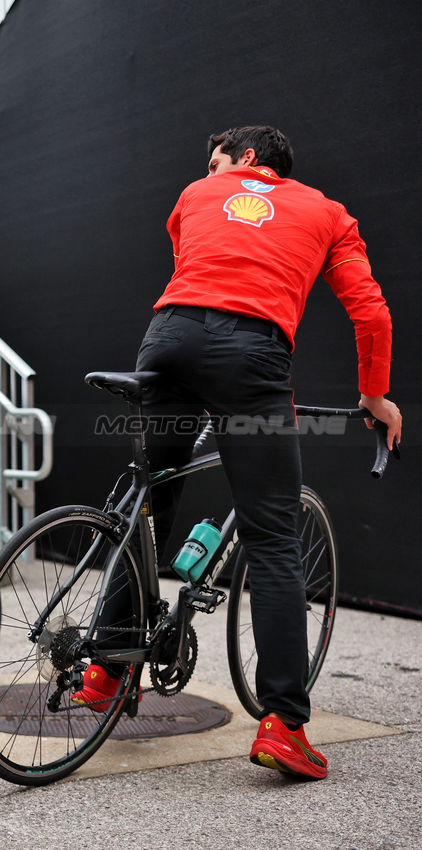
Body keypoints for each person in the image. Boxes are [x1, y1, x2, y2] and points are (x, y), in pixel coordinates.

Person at [73, 126, 402, 780]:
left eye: (217, 156)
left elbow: (189, 260)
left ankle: (106, 672)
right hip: (250, 353)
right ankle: (283, 725)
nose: (210, 166)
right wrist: (373, 396)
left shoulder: (197, 192)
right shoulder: (330, 215)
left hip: (165, 336)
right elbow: (371, 315)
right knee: (273, 537)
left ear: (247, 158)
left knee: (153, 500)